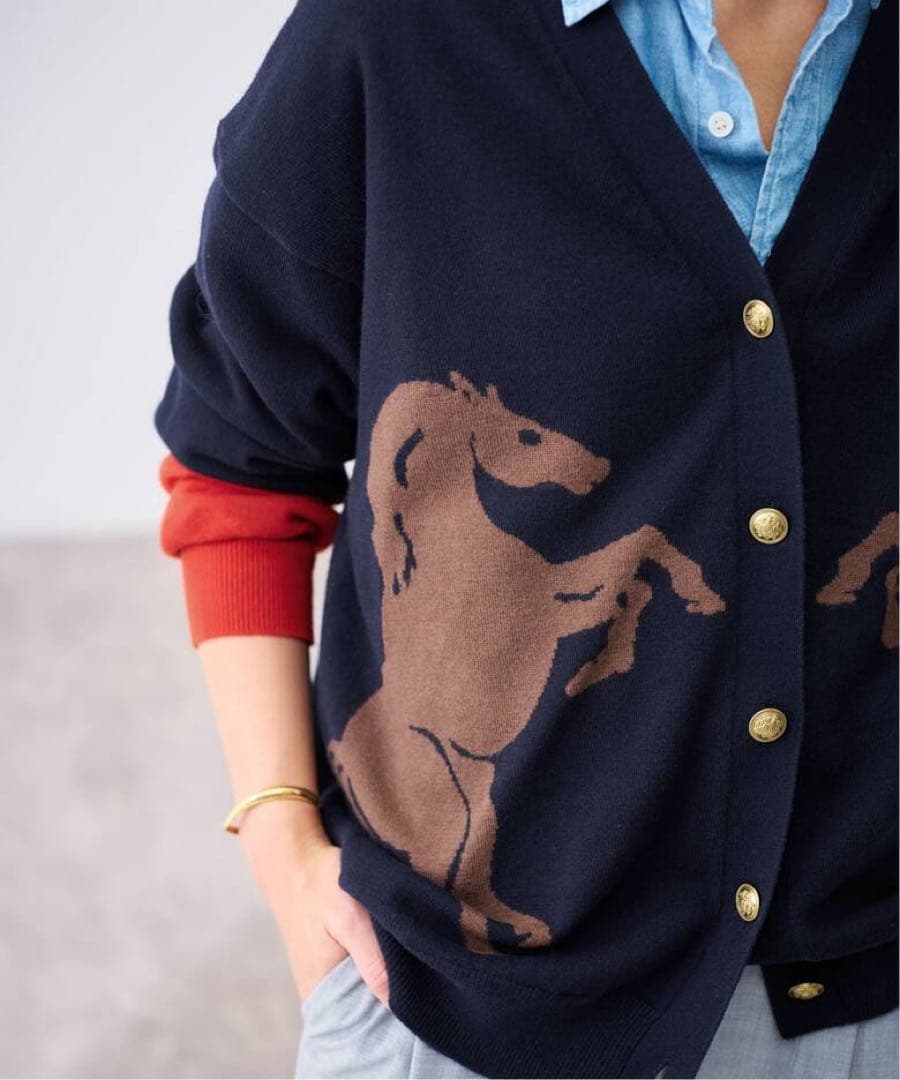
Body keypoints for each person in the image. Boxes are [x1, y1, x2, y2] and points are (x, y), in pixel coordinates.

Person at [152, 0, 899, 1076]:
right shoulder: (395, 35)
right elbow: (236, 461)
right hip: (455, 1012)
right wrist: (280, 837)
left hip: (866, 1002)